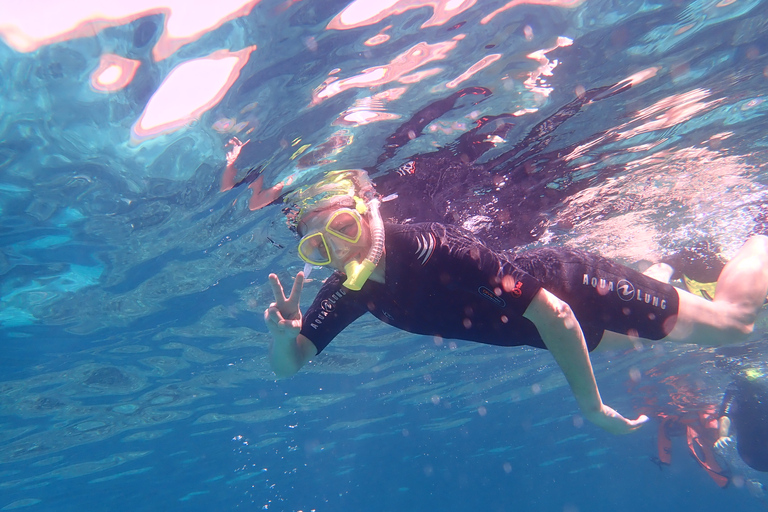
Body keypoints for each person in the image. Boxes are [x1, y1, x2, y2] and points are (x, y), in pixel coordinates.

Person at [263, 169, 768, 435]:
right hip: (544, 332)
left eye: (344, 228)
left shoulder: (435, 249)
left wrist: (591, 409)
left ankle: (761, 232)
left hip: (574, 289)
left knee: (735, 323)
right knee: (636, 346)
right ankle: (665, 272)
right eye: (319, 247)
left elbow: (558, 316)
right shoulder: (347, 291)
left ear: (368, 208)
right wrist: (285, 339)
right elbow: (291, 366)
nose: (341, 250)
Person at [715, 368, 768, 472]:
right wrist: (722, 436)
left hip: (754, 446)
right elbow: (725, 413)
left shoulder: (763, 386)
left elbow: (725, 414)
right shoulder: (735, 387)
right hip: (751, 446)